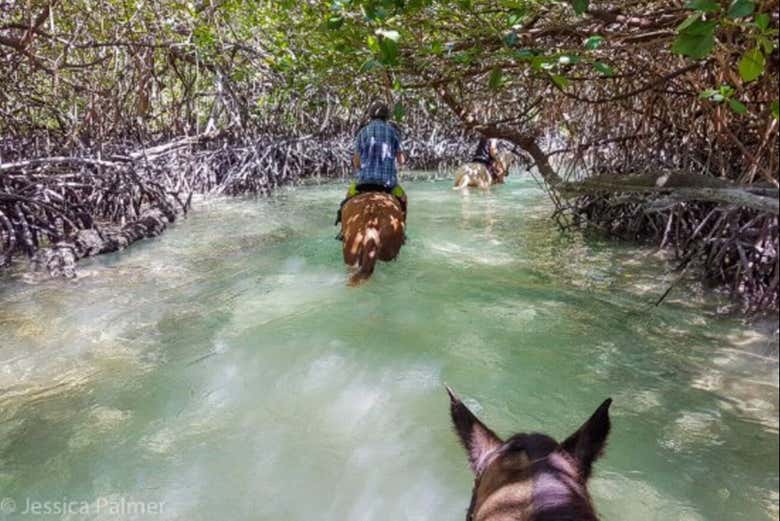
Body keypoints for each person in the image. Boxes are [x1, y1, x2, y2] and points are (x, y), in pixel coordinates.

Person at [335, 101, 407, 238]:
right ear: (387, 116)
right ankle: (402, 233)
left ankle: (343, 231)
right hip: (388, 184)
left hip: (363, 183)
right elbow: (401, 160)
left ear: (370, 115)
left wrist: (361, 166)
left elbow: (356, 162)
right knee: (403, 199)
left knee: (347, 199)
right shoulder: (393, 132)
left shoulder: (362, 132)